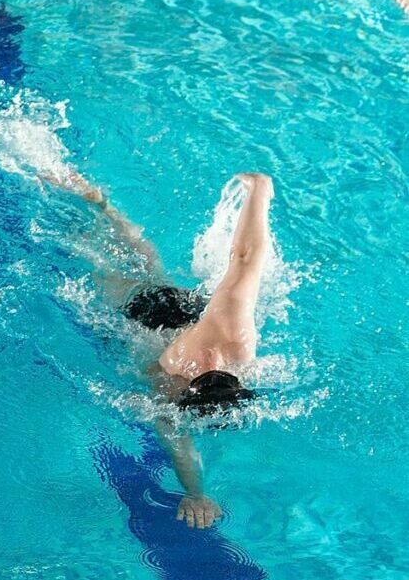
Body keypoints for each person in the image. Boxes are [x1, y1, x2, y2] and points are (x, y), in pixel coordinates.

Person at [46, 170, 274, 527]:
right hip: (139, 313)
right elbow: (177, 442)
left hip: (185, 310)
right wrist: (196, 494)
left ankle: (103, 205)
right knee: (91, 258)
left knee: (145, 259)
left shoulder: (235, 340)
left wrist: (260, 193)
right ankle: (81, 204)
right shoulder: (180, 375)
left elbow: (248, 260)